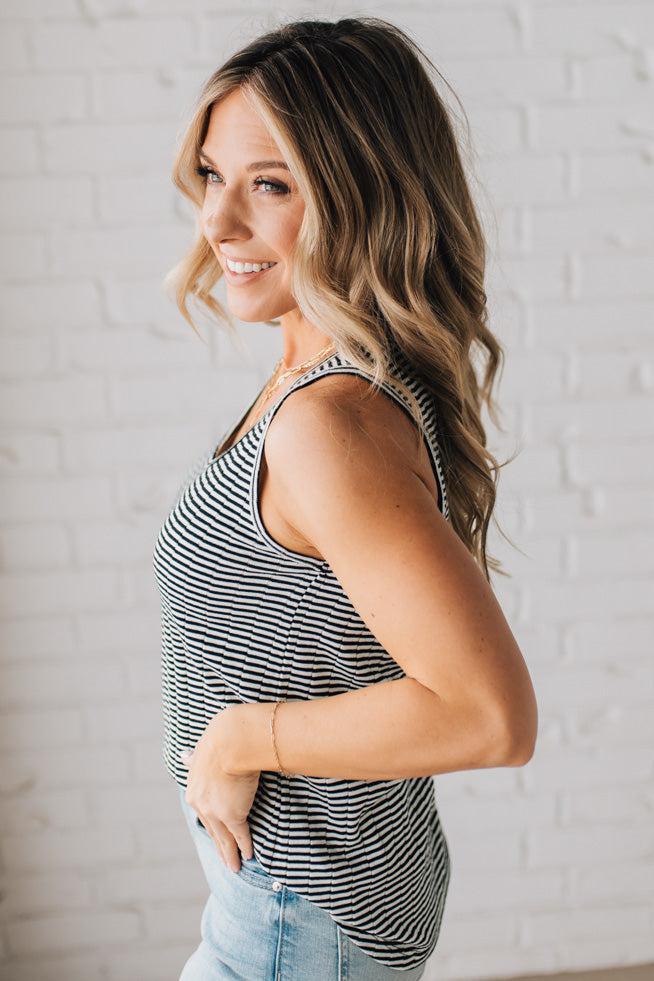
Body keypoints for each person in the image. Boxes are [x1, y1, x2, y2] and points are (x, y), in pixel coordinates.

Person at [152, 15, 538, 981]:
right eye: (212, 174)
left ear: (361, 196)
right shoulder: (317, 377)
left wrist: (243, 736)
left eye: (270, 185)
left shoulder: (329, 424)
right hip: (288, 899)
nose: (219, 221)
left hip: (295, 916)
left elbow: (490, 714)